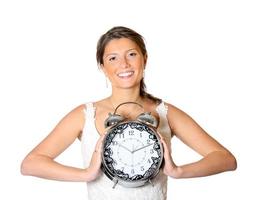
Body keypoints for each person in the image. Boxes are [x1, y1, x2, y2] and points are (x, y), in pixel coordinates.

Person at [21, 26, 237, 200]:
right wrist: (86, 173)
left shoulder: (166, 112)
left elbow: (226, 159)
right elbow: (31, 164)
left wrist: (177, 171)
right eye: (112, 58)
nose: (123, 64)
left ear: (145, 59)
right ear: (102, 67)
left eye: (131, 54)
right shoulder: (85, 114)